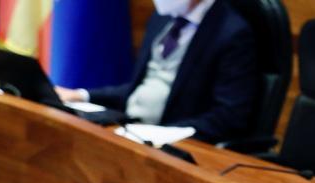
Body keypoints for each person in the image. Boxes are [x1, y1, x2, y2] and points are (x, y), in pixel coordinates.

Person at [56, 0, 256, 143]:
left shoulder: (231, 33)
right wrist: (82, 95)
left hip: (173, 141)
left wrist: (167, 133)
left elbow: (230, 115)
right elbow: (141, 87)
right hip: (130, 129)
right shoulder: (162, 19)